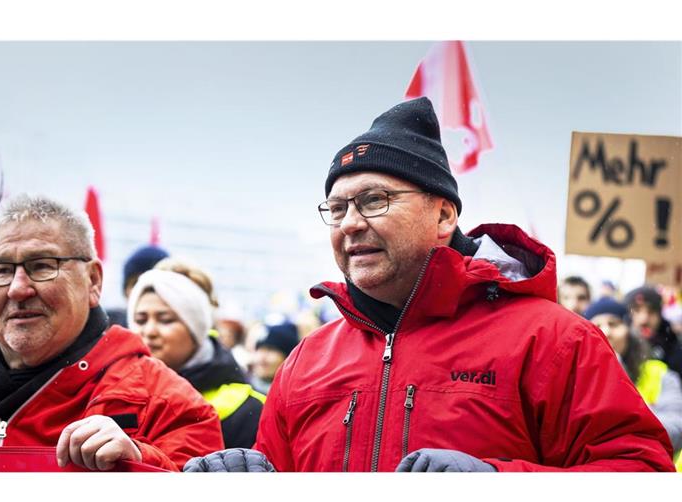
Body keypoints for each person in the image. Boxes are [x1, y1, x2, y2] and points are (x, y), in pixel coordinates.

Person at [184, 97, 675, 472]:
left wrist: (498, 485)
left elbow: (641, 474)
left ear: (442, 215)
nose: (349, 223)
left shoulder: (554, 340)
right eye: (337, 209)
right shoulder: (307, 360)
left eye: (374, 200)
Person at [0, 195, 223, 471]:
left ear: (93, 280)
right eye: (1, 270)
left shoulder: (170, 405)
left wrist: (140, 465)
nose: (18, 288)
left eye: (42, 266)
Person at [127, 258, 265, 449]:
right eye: (140, 320)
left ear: (196, 329)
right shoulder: (114, 393)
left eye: (165, 319)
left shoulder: (248, 409)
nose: (149, 331)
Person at [583, 297, 682, 467]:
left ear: (629, 330)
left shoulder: (661, 374)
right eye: (597, 326)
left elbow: (676, 430)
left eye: (614, 324)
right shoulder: (578, 378)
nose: (606, 332)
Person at [625, 286, 682, 381]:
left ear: (659, 314)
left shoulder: (673, 344)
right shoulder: (621, 346)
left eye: (651, 312)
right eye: (637, 311)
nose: (644, 319)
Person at [105, 244, 170, 327]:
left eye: (151, 287)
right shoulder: (106, 330)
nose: (142, 290)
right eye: (135, 283)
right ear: (125, 291)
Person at [250, 321, 299, 395]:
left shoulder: (296, 396)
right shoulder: (243, 392)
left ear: (289, 358)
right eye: (260, 349)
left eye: (270, 350)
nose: (262, 357)